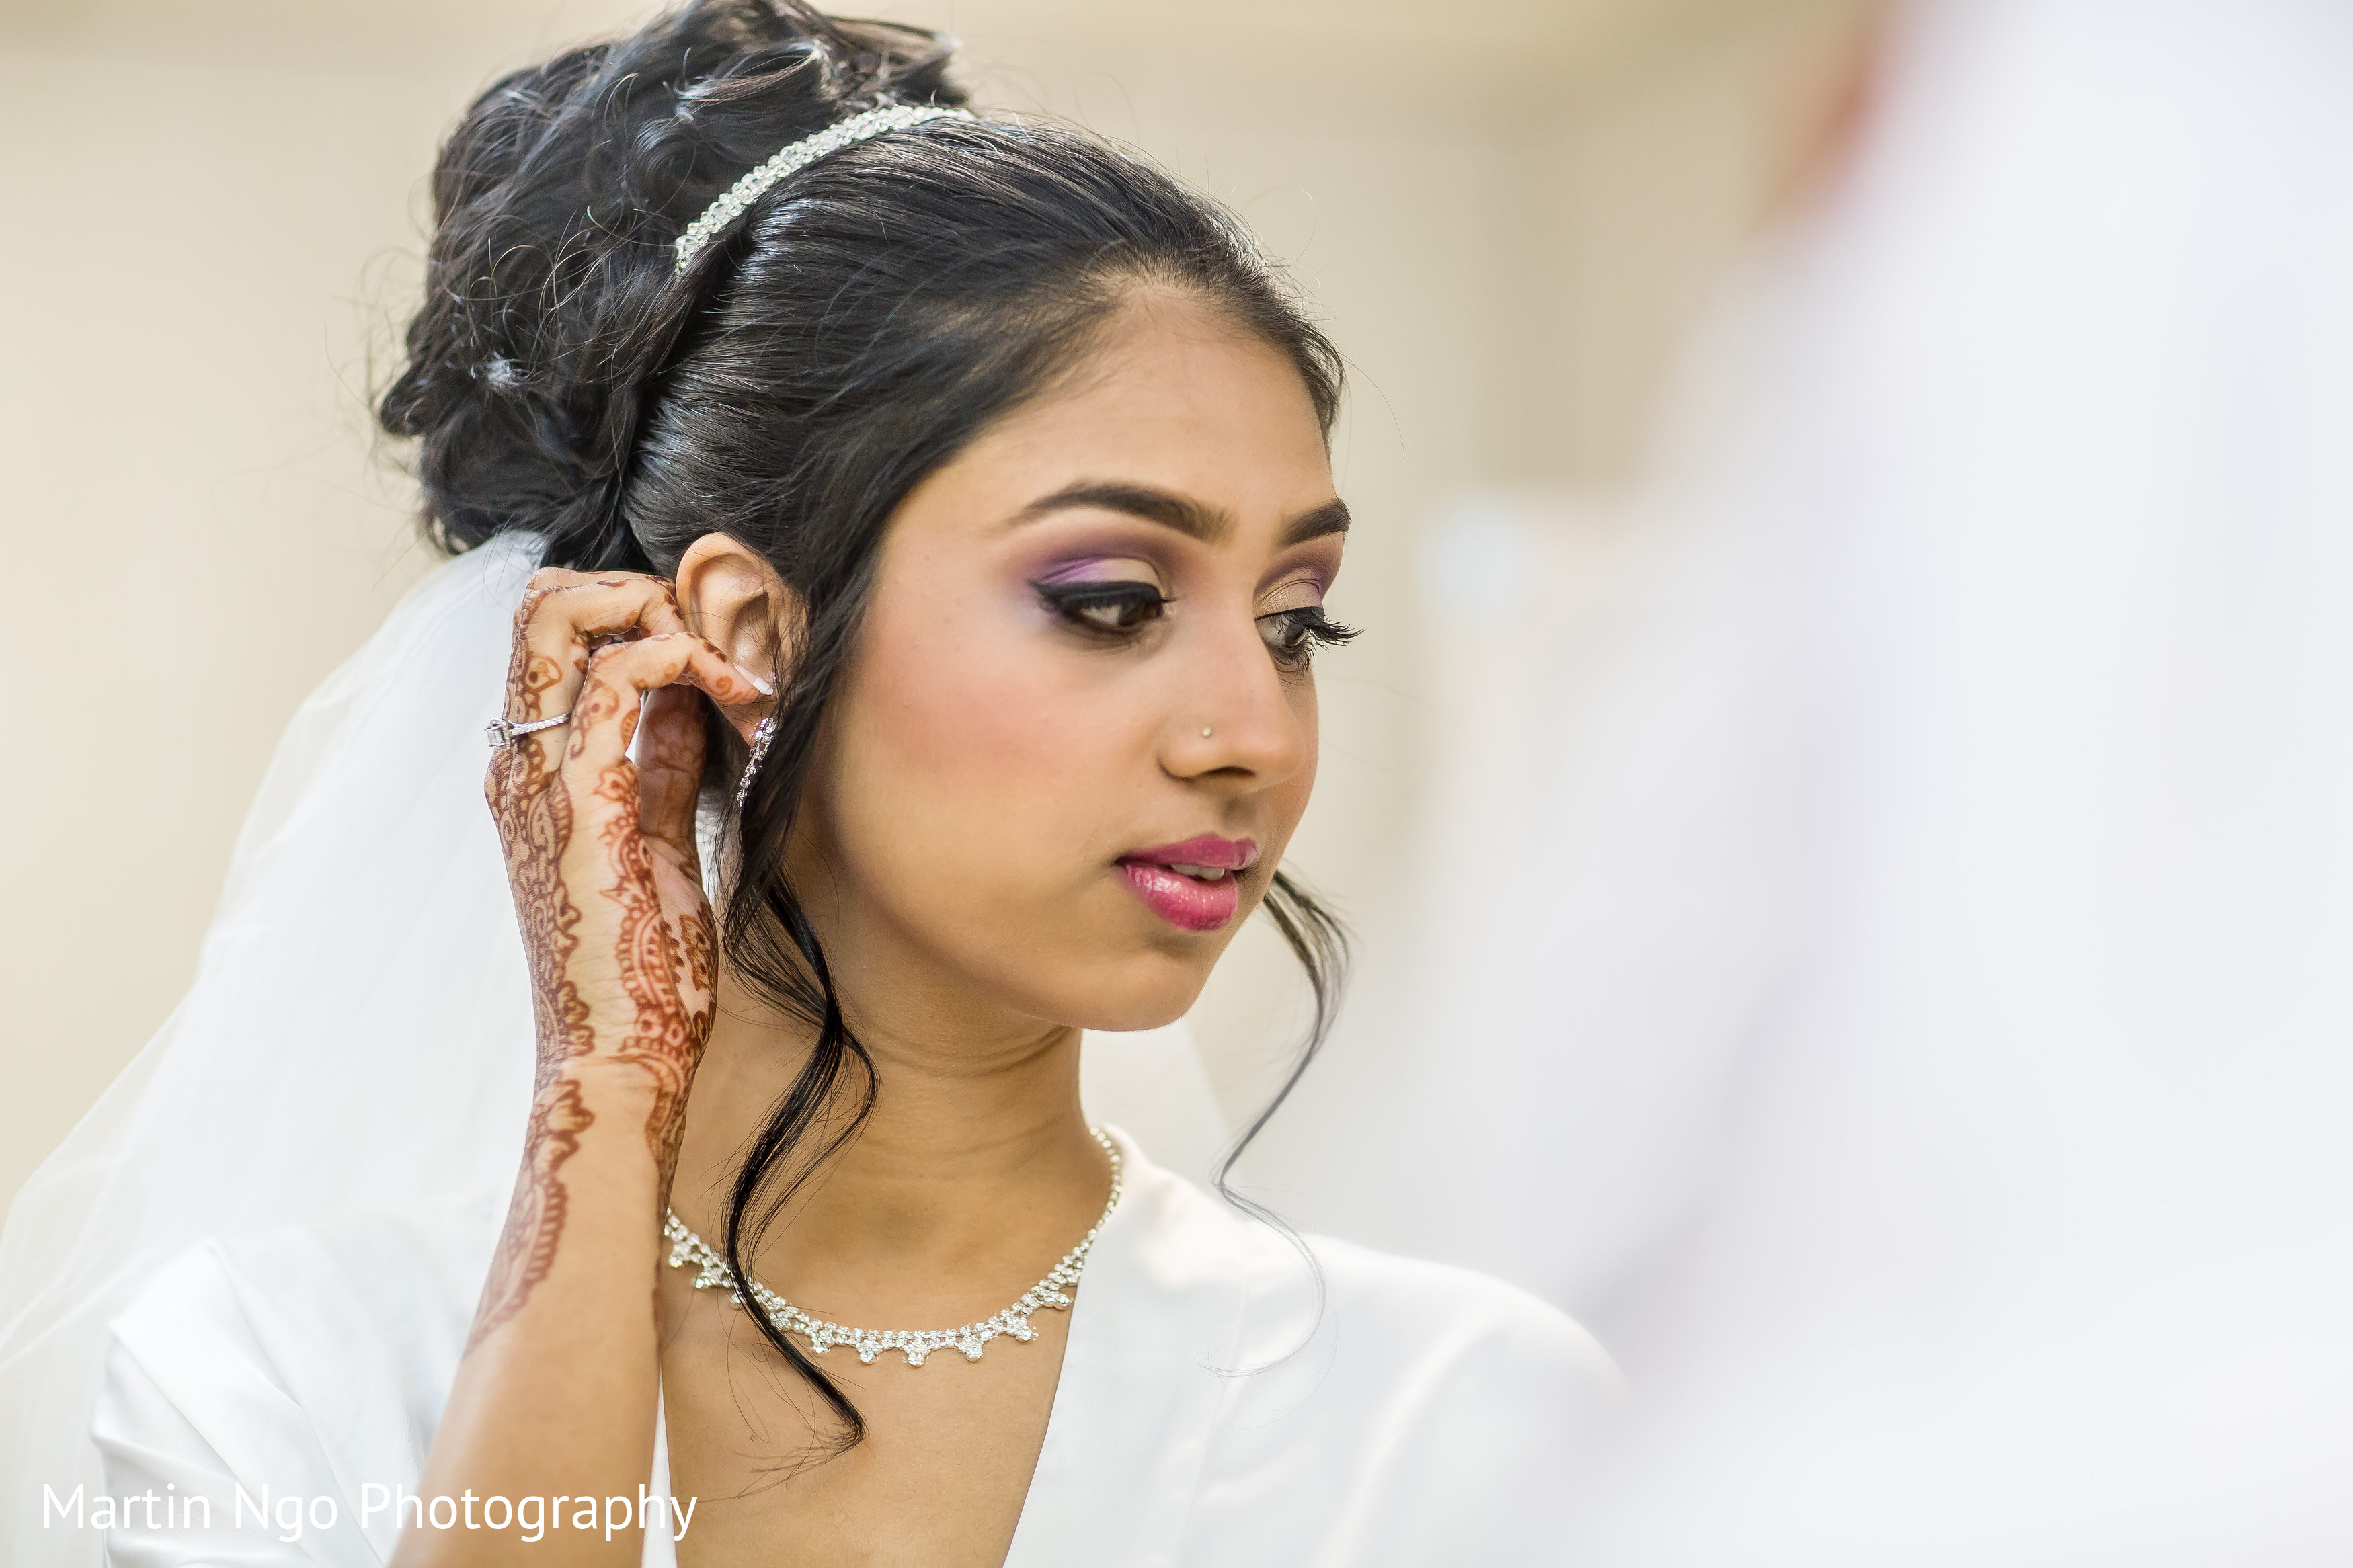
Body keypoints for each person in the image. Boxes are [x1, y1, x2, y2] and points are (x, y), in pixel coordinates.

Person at [5, 5, 1617, 1565]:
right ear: (750, 633)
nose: (1251, 732)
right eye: (1111, 602)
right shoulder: (277, 1378)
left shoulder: (1466, 1415)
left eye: (1295, 623)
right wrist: (606, 1097)